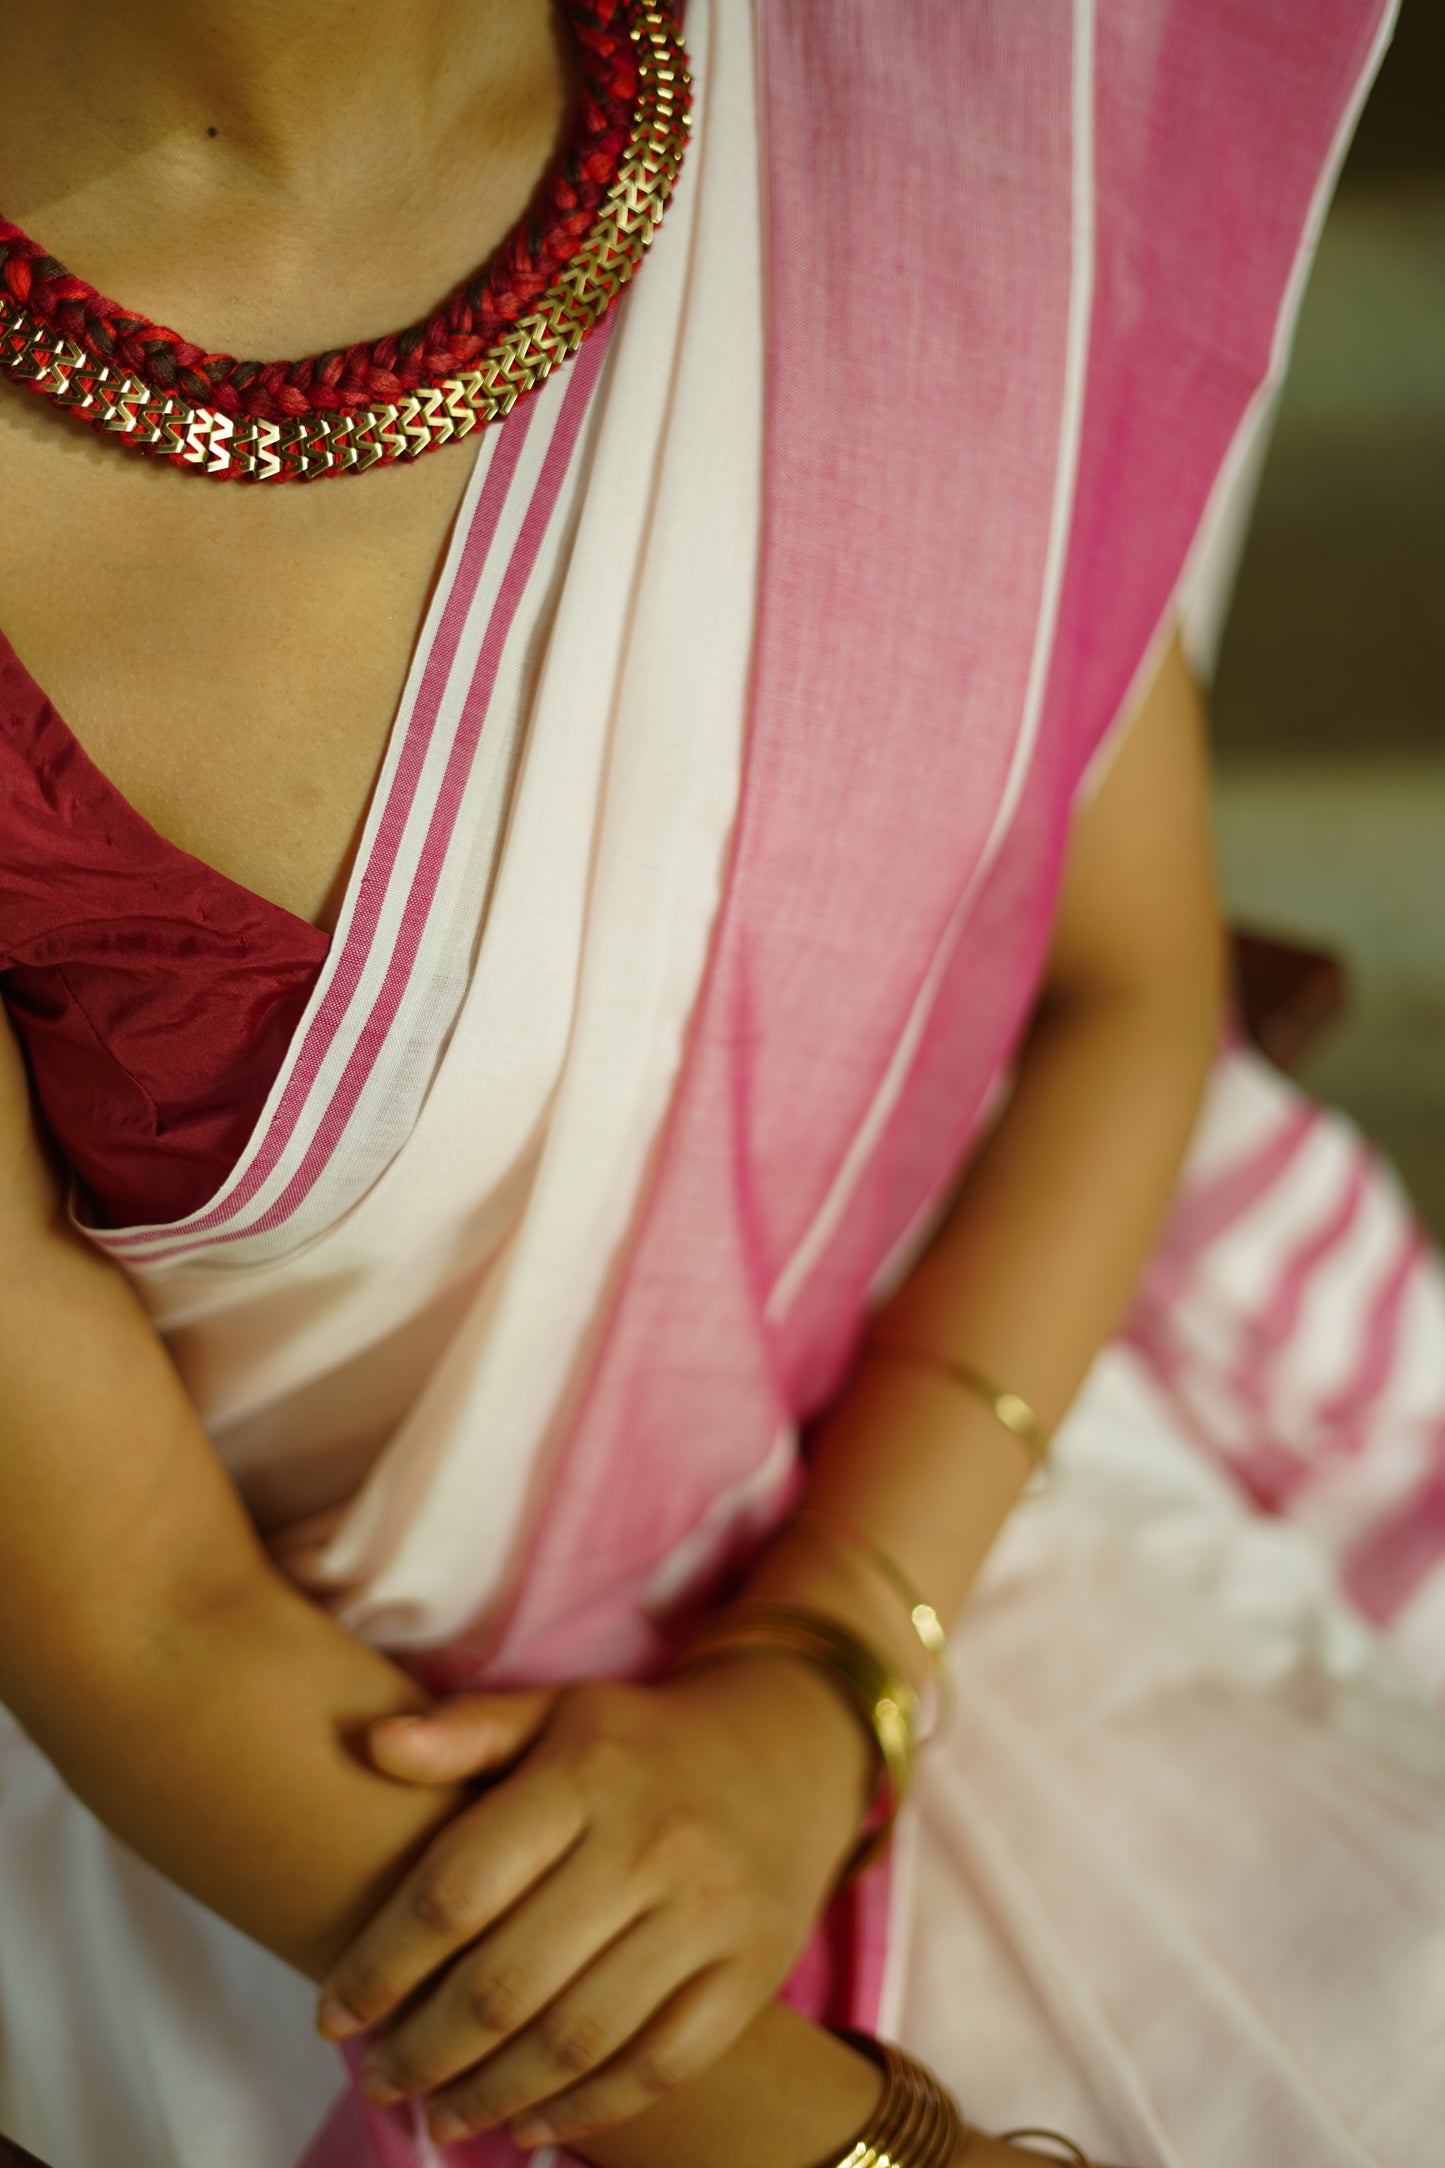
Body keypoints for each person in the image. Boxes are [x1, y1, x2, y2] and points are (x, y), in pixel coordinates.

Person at [0, 2, 1442, 2165]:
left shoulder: (899, 108)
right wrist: (851, 2141)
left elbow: (1120, 991)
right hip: (309, 1828)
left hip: (938, 1476)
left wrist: (827, 1673)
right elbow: (127, 1608)